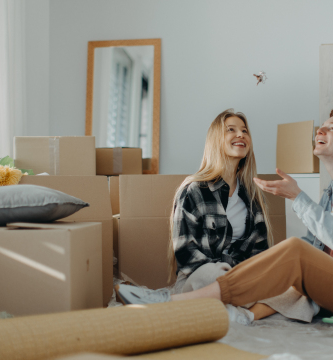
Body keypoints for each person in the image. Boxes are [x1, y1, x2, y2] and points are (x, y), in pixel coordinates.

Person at [117, 106, 333, 324]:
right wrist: (262, 274)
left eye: (331, 129)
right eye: (321, 126)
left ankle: (174, 303)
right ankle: (236, 310)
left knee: (292, 256)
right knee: (284, 269)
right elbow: (187, 253)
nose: (320, 130)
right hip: (209, 271)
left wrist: (297, 197)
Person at [117, 109, 277, 321]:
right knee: (216, 276)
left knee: (296, 285)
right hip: (202, 277)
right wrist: (231, 276)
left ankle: (243, 316)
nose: (241, 135)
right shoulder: (193, 190)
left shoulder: (254, 196)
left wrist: (253, 277)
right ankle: (233, 305)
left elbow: (260, 253)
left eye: (245, 131)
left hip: (242, 279)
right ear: (215, 140)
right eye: (231, 130)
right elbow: (185, 252)